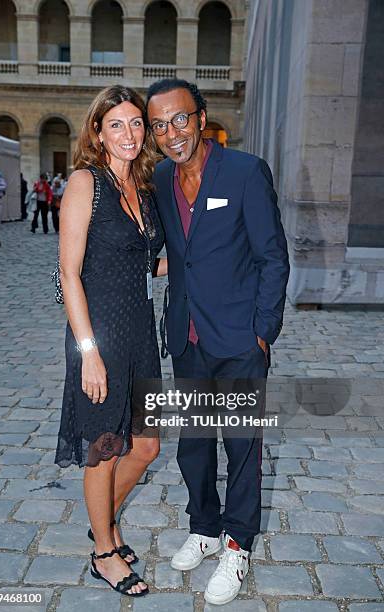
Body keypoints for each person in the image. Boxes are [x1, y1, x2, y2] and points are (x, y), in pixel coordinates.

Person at [147, 79, 290, 606]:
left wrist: (263, 330)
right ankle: (203, 526)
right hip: (186, 337)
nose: (171, 132)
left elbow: (272, 256)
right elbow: (171, 254)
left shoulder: (245, 172)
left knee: (242, 446)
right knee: (194, 445)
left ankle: (237, 543)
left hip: (238, 339)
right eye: (159, 124)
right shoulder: (161, 178)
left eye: (180, 118)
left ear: (201, 117)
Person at [54, 85, 166, 597]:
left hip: (141, 331)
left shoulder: (143, 189)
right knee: (103, 448)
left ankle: (105, 523)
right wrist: (88, 353)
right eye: (116, 124)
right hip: (100, 336)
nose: (129, 133)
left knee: (145, 445)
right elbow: (68, 273)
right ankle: (104, 550)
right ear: (97, 132)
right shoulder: (86, 183)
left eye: (136, 123)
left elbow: (148, 262)